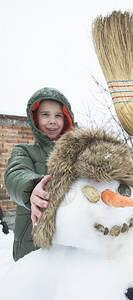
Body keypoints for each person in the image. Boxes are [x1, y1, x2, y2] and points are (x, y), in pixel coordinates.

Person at [4, 87, 75, 261]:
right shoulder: (23, 151)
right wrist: (32, 187)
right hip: (32, 241)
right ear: (35, 118)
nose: (52, 121)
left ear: (66, 119)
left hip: (71, 241)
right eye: (45, 114)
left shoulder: (77, 154)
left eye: (58, 115)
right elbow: (15, 173)